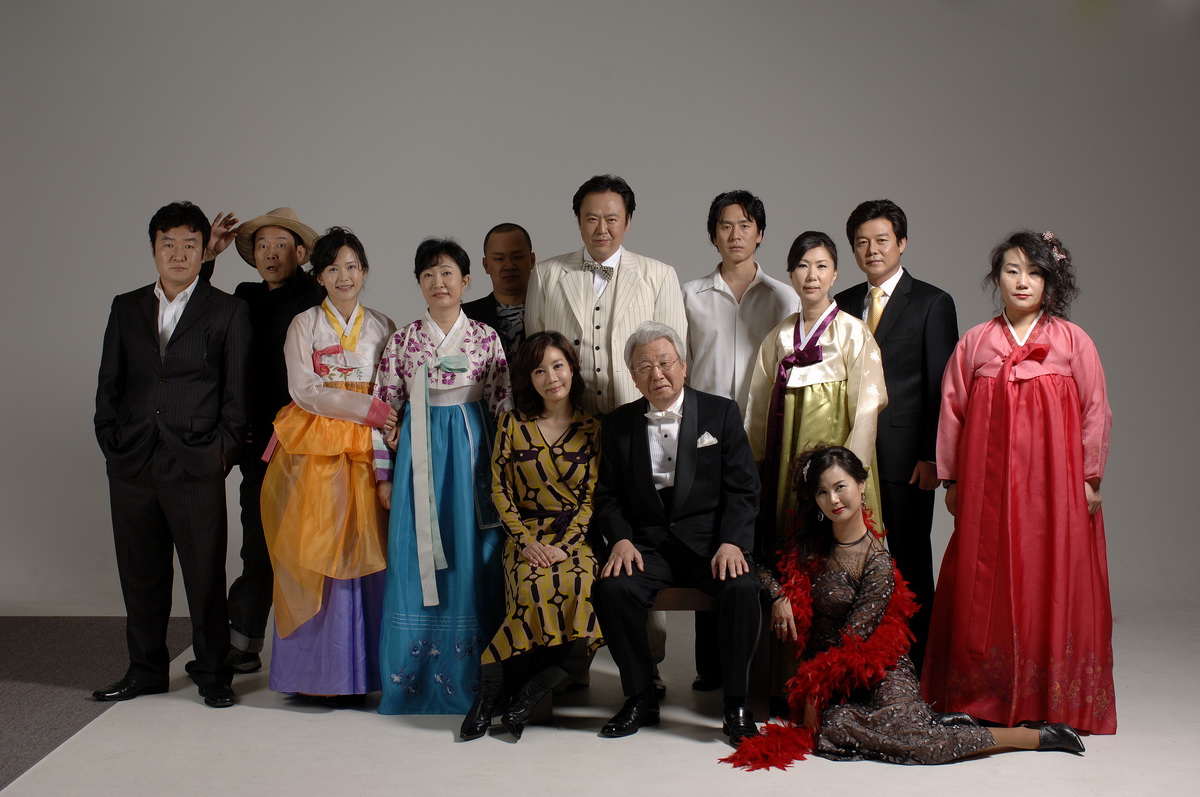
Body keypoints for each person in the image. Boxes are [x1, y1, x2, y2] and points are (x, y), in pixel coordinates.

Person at [724, 446, 1086, 770]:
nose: (832, 499)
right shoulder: (808, 546)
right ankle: (935, 721)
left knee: (922, 746)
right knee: (833, 730)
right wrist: (779, 596)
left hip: (879, 668)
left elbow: (853, 640)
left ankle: (1031, 736)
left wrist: (815, 693)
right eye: (822, 491)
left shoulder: (876, 562)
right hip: (835, 678)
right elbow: (758, 564)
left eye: (840, 487)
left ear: (861, 485)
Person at [923, 230, 1115, 734]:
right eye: (1012, 271)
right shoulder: (975, 343)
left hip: (1056, 488)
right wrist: (952, 481)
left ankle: (1052, 696)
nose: (1022, 281)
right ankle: (981, 692)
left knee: (1050, 579)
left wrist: (1090, 476)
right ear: (997, 279)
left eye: (1033, 272)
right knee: (984, 581)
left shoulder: (1073, 342)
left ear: (1050, 281)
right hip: (987, 488)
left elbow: (1096, 411)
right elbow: (952, 413)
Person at [93, 201, 250, 708]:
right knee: (140, 574)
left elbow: (236, 395)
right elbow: (110, 383)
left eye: (189, 244)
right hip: (133, 461)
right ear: (153, 249)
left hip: (195, 461)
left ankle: (214, 673)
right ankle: (145, 670)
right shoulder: (126, 306)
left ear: (203, 250)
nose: (178, 254)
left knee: (204, 576)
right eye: (168, 244)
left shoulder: (227, 309)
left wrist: (221, 453)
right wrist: (111, 442)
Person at [591, 323, 761, 747]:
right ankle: (640, 697)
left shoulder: (721, 413)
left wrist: (732, 542)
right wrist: (621, 540)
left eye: (665, 362)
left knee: (743, 588)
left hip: (711, 544)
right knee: (613, 590)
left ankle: (737, 704)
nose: (657, 374)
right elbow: (608, 495)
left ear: (684, 366)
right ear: (634, 377)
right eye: (644, 367)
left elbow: (743, 488)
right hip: (647, 546)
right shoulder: (617, 424)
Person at [744, 230, 887, 707]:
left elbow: (867, 408)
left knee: (838, 562)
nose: (812, 275)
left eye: (822, 266)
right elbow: (756, 411)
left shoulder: (853, 332)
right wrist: (758, 470)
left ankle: (844, 678)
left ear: (835, 274)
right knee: (795, 554)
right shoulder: (779, 336)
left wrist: (847, 477)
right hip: (789, 467)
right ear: (790, 274)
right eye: (803, 266)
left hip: (838, 467)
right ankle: (790, 681)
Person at [374, 238, 512, 716]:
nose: (439, 282)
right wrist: (384, 473)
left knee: (472, 552)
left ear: (466, 281)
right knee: (415, 556)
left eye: (448, 272)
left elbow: (503, 406)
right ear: (418, 283)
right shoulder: (403, 342)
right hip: (419, 457)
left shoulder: (486, 338)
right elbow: (382, 411)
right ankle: (411, 679)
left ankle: (478, 678)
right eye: (428, 274)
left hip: (472, 454)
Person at [259, 226, 396, 704]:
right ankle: (315, 674)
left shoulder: (383, 325)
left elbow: (392, 386)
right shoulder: (304, 324)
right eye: (333, 268)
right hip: (318, 447)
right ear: (318, 276)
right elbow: (304, 389)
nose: (344, 277)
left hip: (368, 448)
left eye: (352, 266)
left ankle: (364, 672)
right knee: (315, 548)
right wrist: (367, 408)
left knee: (368, 546)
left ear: (365, 271)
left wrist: (383, 418)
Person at [833, 200, 958, 672]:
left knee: (909, 559)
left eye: (882, 240)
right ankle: (863, 661)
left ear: (902, 243)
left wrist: (933, 457)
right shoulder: (843, 302)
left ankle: (920, 664)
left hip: (908, 459)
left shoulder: (932, 302)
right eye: (862, 242)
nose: (872, 249)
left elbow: (941, 387)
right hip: (851, 456)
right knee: (853, 559)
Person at [460, 332, 603, 741]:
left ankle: (530, 693)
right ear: (529, 378)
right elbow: (499, 491)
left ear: (572, 369)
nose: (551, 378)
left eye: (558, 366)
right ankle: (490, 694)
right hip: (525, 535)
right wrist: (525, 542)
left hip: (575, 539)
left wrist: (565, 547)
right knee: (531, 587)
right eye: (539, 371)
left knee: (582, 587)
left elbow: (592, 499)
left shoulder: (593, 428)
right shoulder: (512, 423)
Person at [681, 190, 796, 691]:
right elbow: (680, 367)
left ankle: (756, 663)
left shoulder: (784, 298)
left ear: (760, 233)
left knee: (761, 540)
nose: (735, 235)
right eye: (725, 226)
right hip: (703, 437)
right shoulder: (689, 295)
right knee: (709, 536)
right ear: (713, 235)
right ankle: (710, 665)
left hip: (764, 433)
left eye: (745, 225)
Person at [214, 208, 323, 674]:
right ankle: (244, 642)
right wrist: (207, 260)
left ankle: (315, 647)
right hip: (259, 442)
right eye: (262, 245)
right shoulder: (245, 297)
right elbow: (200, 312)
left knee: (313, 542)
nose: (271, 253)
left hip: (311, 439)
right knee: (257, 543)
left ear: (300, 252)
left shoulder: (316, 294)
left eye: (281, 245)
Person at [525, 174, 688, 416]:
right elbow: (535, 354)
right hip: (567, 417)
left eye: (612, 219)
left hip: (638, 416)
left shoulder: (660, 275)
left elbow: (674, 357)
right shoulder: (544, 275)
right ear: (579, 221)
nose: (602, 229)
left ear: (628, 221)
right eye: (592, 219)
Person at [462, 222, 536, 359]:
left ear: (532, 260)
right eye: (499, 259)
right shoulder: (462, 317)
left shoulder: (554, 310)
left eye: (517, 257)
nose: (509, 265)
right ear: (486, 265)